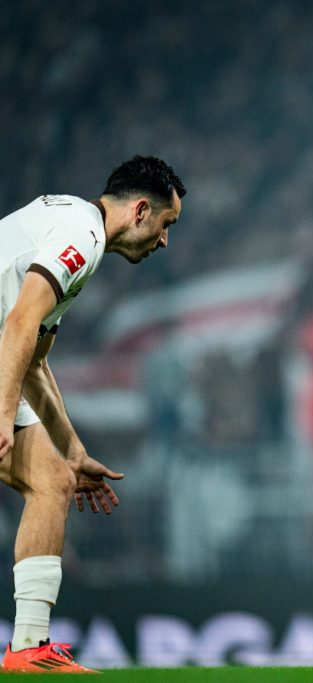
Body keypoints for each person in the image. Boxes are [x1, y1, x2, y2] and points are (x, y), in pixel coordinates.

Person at [0, 156, 186, 673]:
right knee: (47, 483)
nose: (164, 241)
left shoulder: (76, 230)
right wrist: (0, 413)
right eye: (167, 226)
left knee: (55, 480)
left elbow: (32, 360)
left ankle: (28, 651)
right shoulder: (80, 237)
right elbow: (18, 324)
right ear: (141, 211)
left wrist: (74, 450)